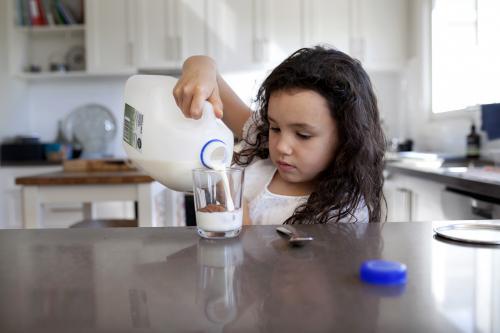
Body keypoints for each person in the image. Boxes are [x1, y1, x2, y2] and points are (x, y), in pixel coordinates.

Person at [173, 45, 385, 224]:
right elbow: (210, 74)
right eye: (275, 127)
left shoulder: (343, 212)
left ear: (346, 139)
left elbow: (287, 270)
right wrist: (200, 65)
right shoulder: (261, 139)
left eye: (302, 135)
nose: (281, 146)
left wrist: (240, 220)